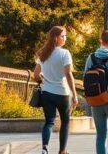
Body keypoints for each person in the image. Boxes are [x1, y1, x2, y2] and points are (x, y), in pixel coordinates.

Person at [34, 26, 79, 154]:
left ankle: (44, 148)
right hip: (62, 93)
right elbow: (68, 74)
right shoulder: (65, 53)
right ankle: (62, 151)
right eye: (63, 36)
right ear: (56, 38)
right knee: (65, 121)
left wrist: (44, 80)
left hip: (47, 93)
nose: (65, 38)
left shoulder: (43, 54)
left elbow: (36, 75)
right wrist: (74, 94)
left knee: (49, 122)